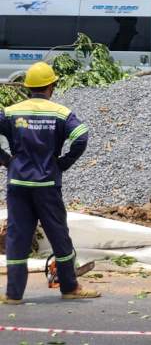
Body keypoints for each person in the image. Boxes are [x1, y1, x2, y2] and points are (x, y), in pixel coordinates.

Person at [0, 62, 100, 304]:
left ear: (28, 88)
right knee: (58, 236)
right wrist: (63, 163)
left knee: (17, 237)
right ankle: (70, 287)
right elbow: (81, 136)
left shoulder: (11, 112)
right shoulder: (60, 113)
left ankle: (13, 294)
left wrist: (6, 160)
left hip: (19, 184)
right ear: (51, 87)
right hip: (46, 185)